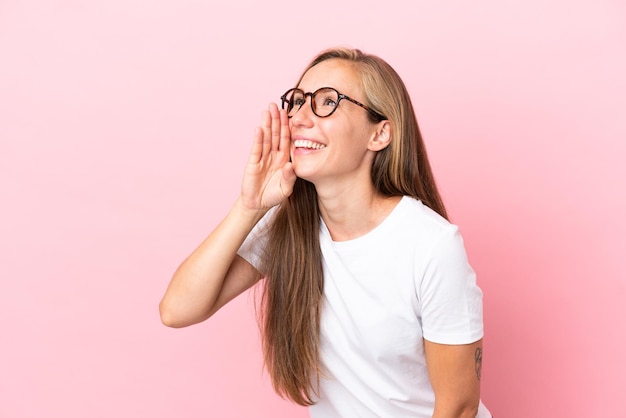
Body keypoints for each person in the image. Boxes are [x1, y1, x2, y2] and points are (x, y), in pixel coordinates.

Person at [160, 47, 492, 418]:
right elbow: (177, 310)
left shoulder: (430, 245)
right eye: (298, 101)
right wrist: (248, 207)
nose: (300, 118)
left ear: (380, 134)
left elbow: (459, 408)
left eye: (327, 102)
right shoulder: (290, 225)